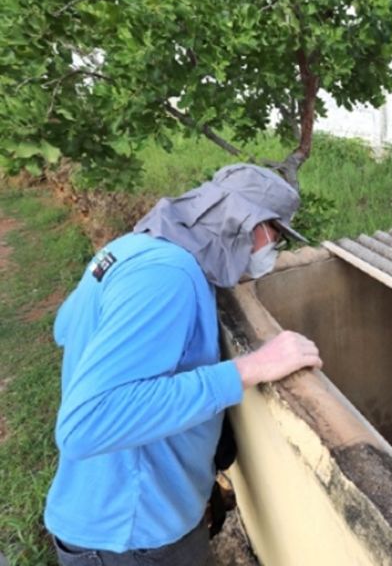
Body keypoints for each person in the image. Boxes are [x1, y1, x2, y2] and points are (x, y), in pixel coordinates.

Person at [44, 163, 323, 565]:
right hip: (133, 535)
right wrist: (252, 368)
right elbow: (85, 425)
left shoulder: (133, 247)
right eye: (276, 235)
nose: (274, 248)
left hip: (108, 511)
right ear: (252, 225)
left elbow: (65, 327)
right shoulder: (168, 277)